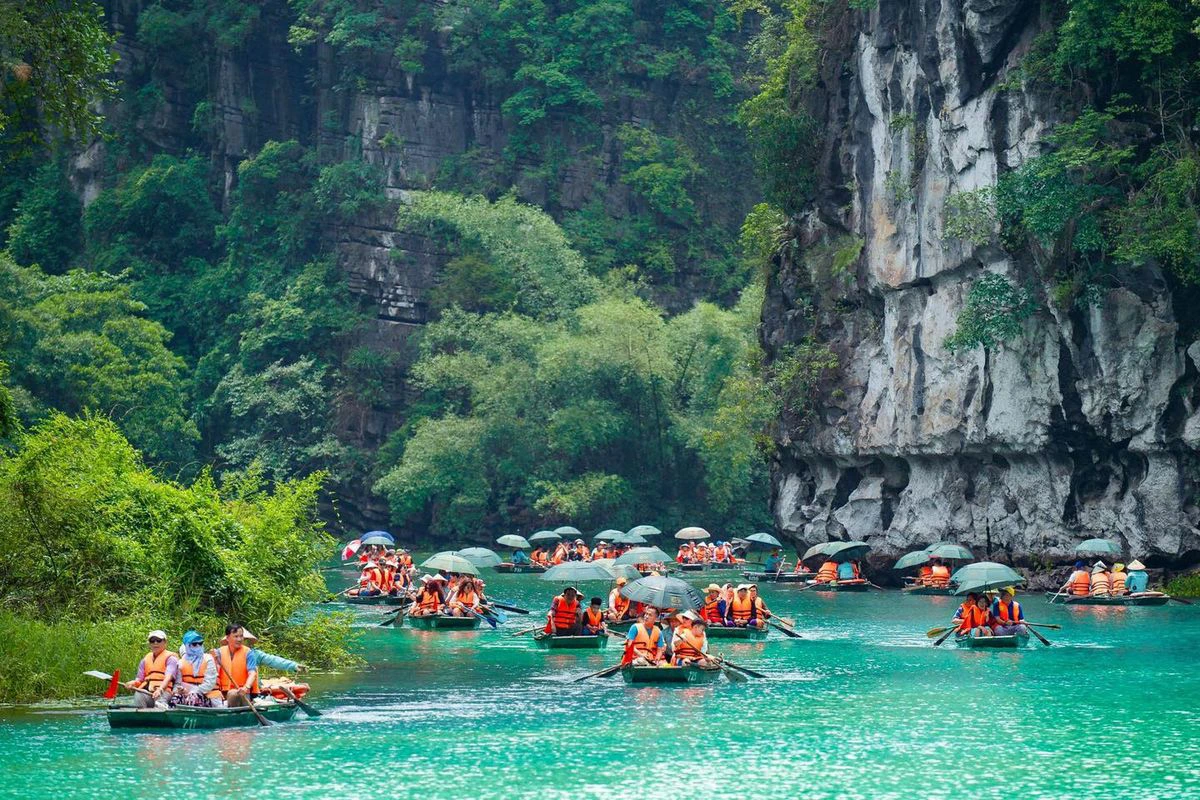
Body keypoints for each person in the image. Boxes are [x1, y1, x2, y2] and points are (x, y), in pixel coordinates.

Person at [125, 629, 178, 708]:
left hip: (164, 692)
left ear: (165, 642)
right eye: (152, 641)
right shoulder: (145, 660)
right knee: (139, 693)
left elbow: (168, 677)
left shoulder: (171, 659)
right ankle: (141, 712)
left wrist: (160, 689)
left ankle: (161, 708)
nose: (155, 643)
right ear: (149, 644)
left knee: (160, 701)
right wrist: (133, 683)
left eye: (158, 640)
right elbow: (139, 679)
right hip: (148, 693)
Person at [213, 623, 259, 708]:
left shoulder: (248, 653)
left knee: (233, 694)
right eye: (236, 636)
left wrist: (246, 687)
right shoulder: (219, 652)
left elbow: (252, 673)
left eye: (241, 636)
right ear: (227, 638)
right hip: (222, 692)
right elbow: (214, 674)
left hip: (242, 693)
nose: (239, 639)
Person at [175, 630, 222, 707]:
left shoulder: (208, 659)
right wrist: (179, 690)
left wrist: (193, 691)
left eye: (200, 643)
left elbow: (209, 683)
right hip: (187, 695)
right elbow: (178, 684)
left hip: (210, 697)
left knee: (192, 698)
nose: (198, 646)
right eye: (194, 644)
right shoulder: (181, 663)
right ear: (187, 646)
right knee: (175, 698)